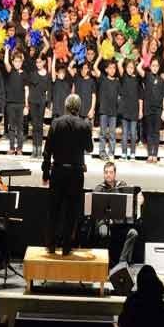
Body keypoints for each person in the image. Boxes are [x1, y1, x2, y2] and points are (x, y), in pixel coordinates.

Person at [42, 94, 93, 256]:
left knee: (53, 209)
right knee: (71, 211)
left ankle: (50, 245)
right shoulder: (84, 125)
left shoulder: (56, 123)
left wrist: (45, 172)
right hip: (76, 173)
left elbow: (47, 150)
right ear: (79, 108)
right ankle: (66, 247)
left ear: (65, 106)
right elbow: (90, 148)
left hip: (57, 171)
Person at [90, 162, 143, 266]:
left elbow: (134, 198)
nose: (108, 174)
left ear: (115, 174)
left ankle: (122, 262)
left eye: (110, 172)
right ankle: (105, 264)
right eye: (106, 172)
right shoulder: (99, 189)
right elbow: (95, 212)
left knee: (133, 233)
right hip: (104, 223)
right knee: (104, 233)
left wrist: (140, 199)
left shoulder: (122, 186)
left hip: (121, 223)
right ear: (103, 174)